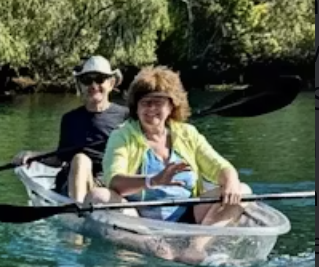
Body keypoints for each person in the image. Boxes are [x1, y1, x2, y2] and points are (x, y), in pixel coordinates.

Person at [91, 65, 248, 225]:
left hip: (190, 215)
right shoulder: (122, 136)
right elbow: (115, 181)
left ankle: (197, 246)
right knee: (99, 196)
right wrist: (154, 180)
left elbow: (219, 166)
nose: (151, 108)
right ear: (136, 107)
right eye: (145, 102)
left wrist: (230, 180)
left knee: (243, 190)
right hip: (139, 220)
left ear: (171, 106)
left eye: (158, 102)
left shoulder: (187, 133)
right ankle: (155, 246)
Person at [17, 56, 128, 201]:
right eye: (87, 80)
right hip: (73, 181)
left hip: (109, 184)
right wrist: (32, 156)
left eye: (100, 79)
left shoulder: (127, 117)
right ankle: (78, 210)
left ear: (111, 83)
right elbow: (60, 157)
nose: (93, 86)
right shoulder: (70, 119)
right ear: (80, 85)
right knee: (81, 160)